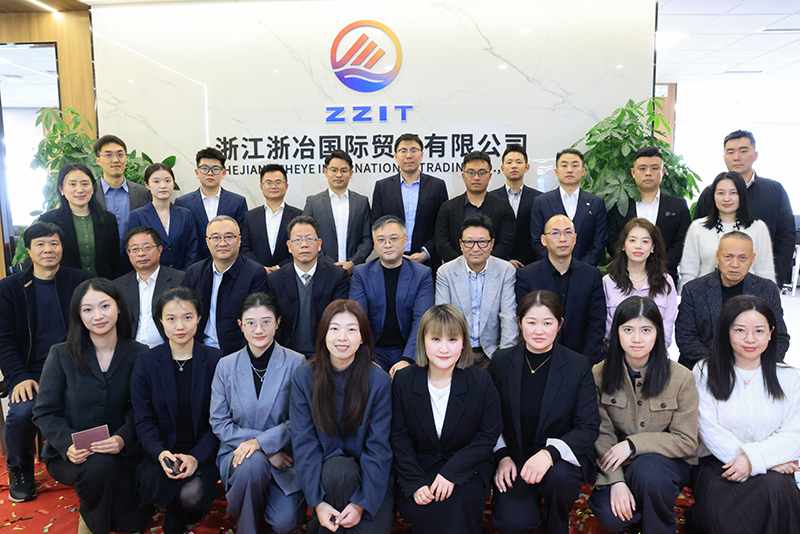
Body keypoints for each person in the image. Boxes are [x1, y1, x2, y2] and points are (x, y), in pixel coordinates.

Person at [32, 279, 152, 534]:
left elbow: (143, 410)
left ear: (118, 306)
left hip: (121, 450)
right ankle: (91, 521)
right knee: (98, 467)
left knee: (130, 522)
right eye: (88, 309)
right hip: (72, 455)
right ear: (78, 315)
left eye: (105, 306)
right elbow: (44, 411)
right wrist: (68, 443)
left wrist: (122, 438)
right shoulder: (61, 354)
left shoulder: (139, 353)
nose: (98, 316)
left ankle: (103, 502)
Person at [488, 291, 600, 534]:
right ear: (519, 323)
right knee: (513, 522)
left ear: (559, 324)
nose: (539, 331)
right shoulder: (501, 362)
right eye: (531, 322)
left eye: (547, 323)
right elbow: (488, 418)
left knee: (559, 479)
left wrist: (549, 454)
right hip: (515, 458)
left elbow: (588, 427)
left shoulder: (577, 365)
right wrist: (502, 456)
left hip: (558, 462)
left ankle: (557, 520)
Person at [688, 295, 800, 534]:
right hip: (720, 464)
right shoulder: (705, 372)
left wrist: (754, 461)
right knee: (727, 508)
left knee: (778, 490)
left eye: (759, 331)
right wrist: (753, 461)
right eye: (740, 330)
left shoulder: (789, 377)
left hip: (772, 465)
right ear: (726, 332)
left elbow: (794, 434)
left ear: (771, 334)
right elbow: (708, 430)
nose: (750, 339)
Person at [588, 296, 699, 534]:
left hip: (665, 464)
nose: (637, 339)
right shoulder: (599, 373)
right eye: (628, 330)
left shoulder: (682, 377)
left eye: (646, 330)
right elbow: (602, 434)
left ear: (658, 333)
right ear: (617, 332)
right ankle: (644, 512)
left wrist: (632, 445)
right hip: (616, 463)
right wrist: (616, 481)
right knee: (611, 515)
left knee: (649, 473)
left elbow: (686, 440)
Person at [391, 304, 502, 534]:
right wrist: (415, 482)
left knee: (458, 504)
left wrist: (451, 474)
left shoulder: (480, 381)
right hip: (419, 467)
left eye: (452, 339)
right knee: (424, 506)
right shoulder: (403, 380)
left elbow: (488, 435)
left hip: (467, 467)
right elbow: (399, 437)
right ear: (423, 341)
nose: (444, 348)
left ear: (463, 343)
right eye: (435, 339)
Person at [0, 222, 90, 502]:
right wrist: (18, 377)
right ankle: (19, 467)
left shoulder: (80, 281)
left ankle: (87, 463)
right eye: (40, 244)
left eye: (54, 243)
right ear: (28, 250)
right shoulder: (10, 288)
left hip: (76, 369)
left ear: (62, 248)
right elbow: (3, 340)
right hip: (32, 373)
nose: (48, 249)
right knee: (22, 411)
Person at [290, 300, 394, 533]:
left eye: (351, 329)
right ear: (323, 334)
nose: (342, 338)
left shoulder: (378, 381)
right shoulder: (304, 377)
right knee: (338, 472)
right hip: (325, 477)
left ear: (363, 337)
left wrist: (360, 503)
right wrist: (317, 502)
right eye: (334, 328)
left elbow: (378, 447)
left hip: (370, 479)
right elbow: (304, 444)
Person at [210, 293, 307, 534]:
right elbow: (219, 421)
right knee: (252, 463)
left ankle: (250, 501)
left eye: (266, 321)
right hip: (239, 455)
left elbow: (300, 420)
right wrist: (261, 449)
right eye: (251, 323)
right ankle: (247, 526)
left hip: (283, 455)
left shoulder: (296, 362)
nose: (259, 329)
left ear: (278, 322)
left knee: (284, 524)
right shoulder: (226, 365)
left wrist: (262, 445)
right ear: (240, 325)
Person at [131, 287, 222, 534]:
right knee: (155, 481)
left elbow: (220, 419)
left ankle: (178, 508)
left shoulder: (216, 360)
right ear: (160, 321)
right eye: (171, 319)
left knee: (192, 495)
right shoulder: (146, 362)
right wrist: (161, 453)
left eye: (187, 317)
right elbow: (143, 419)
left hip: (203, 450)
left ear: (199, 318)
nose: (180, 326)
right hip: (160, 450)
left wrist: (196, 456)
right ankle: (174, 508)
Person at [692, 130, 795, 287]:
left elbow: (786, 237)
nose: (736, 157)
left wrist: (777, 282)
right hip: (714, 282)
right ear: (724, 157)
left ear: (755, 155)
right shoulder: (710, 193)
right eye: (730, 152)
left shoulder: (775, 191)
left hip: (760, 281)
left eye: (743, 151)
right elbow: (697, 239)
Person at [676, 232, 790, 369]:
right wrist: (723, 365)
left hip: (754, 366)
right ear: (718, 256)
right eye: (728, 257)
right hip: (705, 365)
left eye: (742, 258)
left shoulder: (767, 289)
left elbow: (780, 338)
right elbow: (685, 338)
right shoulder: (694, 289)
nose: (735, 264)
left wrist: (753, 366)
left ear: (752, 259)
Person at [516, 215, 605, 364]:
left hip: (582, 360)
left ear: (575, 238)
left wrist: (586, 363)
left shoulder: (591, 275)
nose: (562, 239)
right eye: (555, 233)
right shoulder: (527, 275)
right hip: (539, 359)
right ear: (543, 240)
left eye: (568, 232)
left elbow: (596, 323)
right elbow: (525, 323)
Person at [349, 215, 434, 372]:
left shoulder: (422, 274)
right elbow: (357, 318)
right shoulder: (361, 273)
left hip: (408, 348)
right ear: (374, 243)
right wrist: (366, 358)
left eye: (393, 239)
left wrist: (407, 359)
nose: (387, 244)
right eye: (381, 240)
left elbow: (422, 320)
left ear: (405, 240)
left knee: (406, 380)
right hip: (373, 349)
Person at [435, 214, 517, 369]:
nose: (475, 248)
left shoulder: (505, 270)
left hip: (492, 353)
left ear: (492, 244)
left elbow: (509, 317)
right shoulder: (446, 272)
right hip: (457, 353)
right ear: (461, 244)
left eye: (482, 242)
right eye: (469, 242)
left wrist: (505, 358)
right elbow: (443, 319)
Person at [266, 216, 350, 359]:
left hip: (325, 353)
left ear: (319, 244)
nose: (304, 245)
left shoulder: (337, 276)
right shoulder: (275, 279)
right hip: (286, 354)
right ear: (289, 246)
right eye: (298, 240)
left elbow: (341, 318)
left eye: (310, 239)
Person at [183, 216, 268, 355]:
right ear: (207, 242)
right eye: (216, 238)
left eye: (229, 237)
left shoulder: (255, 273)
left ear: (239, 240)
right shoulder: (194, 272)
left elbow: (257, 319)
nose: (222, 243)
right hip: (198, 350)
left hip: (238, 353)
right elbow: (184, 314)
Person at [605, 146, 691, 282]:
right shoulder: (618, 204)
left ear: (663, 171)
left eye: (654, 168)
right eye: (642, 168)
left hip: (665, 278)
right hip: (625, 278)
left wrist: (658, 267)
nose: (648, 173)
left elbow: (683, 242)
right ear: (633, 172)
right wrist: (634, 265)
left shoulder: (678, 205)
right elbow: (613, 241)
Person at [680, 171, 774, 290]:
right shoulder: (698, 227)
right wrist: (686, 296)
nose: (726, 198)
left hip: (748, 296)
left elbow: (765, 272)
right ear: (713, 196)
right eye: (721, 193)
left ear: (742, 195)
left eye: (733, 193)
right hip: (704, 295)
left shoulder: (758, 228)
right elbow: (689, 271)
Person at [371, 133, 449, 269]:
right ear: (396, 156)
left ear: (421, 155)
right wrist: (396, 252)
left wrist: (426, 253)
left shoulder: (437, 186)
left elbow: (443, 226)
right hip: (391, 260)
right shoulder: (382, 187)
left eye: (414, 150)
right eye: (403, 151)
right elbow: (376, 225)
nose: (409, 156)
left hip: (427, 262)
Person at [39, 163, 124, 279]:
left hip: (102, 285)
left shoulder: (108, 219)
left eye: (85, 184)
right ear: (61, 189)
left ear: (93, 188)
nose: (79, 190)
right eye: (72, 184)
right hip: (65, 285)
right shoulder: (48, 220)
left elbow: (115, 260)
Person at [603, 218, 677, 347]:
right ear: (623, 245)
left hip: (656, 353)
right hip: (616, 353)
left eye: (645, 241)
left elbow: (668, 325)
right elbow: (607, 327)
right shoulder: (608, 282)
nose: (638, 246)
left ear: (652, 247)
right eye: (632, 240)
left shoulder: (665, 281)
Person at [435, 151, 516, 263]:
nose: (476, 177)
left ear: (489, 176)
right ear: (463, 176)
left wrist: (484, 264)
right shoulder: (448, 207)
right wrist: (463, 265)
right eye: (471, 172)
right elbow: (442, 244)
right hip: (456, 269)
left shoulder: (503, 207)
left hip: (493, 268)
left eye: (482, 173)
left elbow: (506, 243)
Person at [530, 148, 607, 266]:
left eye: (575, 166)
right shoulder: (541, 202)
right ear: (556, 171)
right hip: (550, 270)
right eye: (564, 166)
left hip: (586, 270)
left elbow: (599, 242)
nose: (569, 170)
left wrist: (582, 268)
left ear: (583, 171)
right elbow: (537, 240)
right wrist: (557, 265)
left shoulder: (596, 203)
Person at [114, 226, 186, 348]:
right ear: (128, 254)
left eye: (147, 247)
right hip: (131, 350)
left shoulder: (180, 280)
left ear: (160, 250)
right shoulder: (118, 286)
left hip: (169, 348)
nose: (141, 253)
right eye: (135, 249)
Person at [303, 150, 372, 274]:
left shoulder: (361, 202)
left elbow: (368, 238)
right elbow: (306, 237)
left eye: (344, 170)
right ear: (325, 172)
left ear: (351, 173)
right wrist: (328, 263)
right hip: (322, 270)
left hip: (355, 272)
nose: (339, 175)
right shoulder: (313, 203)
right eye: (334, 170)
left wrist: (352, 262)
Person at [175, 147, 248, 260]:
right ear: (197, 173)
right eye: (204, 168)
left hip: (229, 262)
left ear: (223, 173)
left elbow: (241, 239)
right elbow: (182, 240)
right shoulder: (183, 203)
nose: (210, 173)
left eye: (215, 169)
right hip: (195, 264)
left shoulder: (237, 202)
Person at [128, 163, 198, 270]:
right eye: (156, 181)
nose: (163, 186)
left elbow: (192, 250)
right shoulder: (137, 216)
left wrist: (185, 275)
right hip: (150, 275)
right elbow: (134, 251)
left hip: (182, 275)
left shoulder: (185, 214)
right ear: (147, 185)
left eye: (167, 181)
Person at [240, 164, 303, 273]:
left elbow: (301, 247)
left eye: (278, 182)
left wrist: (279, 267)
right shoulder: (250, 217)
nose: (273, 186)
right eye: (268, 183)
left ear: (286, 186)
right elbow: (244, 248)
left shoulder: (298, 216)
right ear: (261, 187)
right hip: (256, 274)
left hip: (288, 274)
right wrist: (261, 268)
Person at [490, 143, 543, 268]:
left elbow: (540, 235)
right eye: (509, 162)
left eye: (519, 162)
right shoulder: (491, 198)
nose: (514, 166)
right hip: (498, 264)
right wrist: (504, 260)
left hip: (531, 264)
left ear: (527, 167)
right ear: (502, 168)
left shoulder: (539, 199)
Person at [91, 135, 151, 244]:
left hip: (135, 253)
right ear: (98, 160)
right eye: (108, 155)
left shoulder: (142, 193)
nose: (115, 160)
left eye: (120, 155)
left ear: (126, 159)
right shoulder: (90, 193)